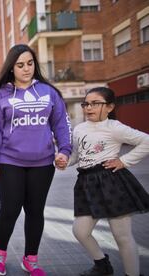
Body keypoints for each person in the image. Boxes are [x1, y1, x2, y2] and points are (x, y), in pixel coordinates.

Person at [0, 44, 72, 276]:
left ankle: (30, 259)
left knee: (35, 212)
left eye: (30, 63)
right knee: (10, 209)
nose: (26, 69)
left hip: (43, 164)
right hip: (9, 161)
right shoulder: (1, 95)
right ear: (12, 68)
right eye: (20, 65)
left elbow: (61, 124)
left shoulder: (49, 92)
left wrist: (64, 151)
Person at [57, 87, 149, 276]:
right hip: (86, 183)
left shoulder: (115, 127)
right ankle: (102, 265)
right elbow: (77, 155)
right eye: (86, 104)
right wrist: (64, 161)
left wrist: (124, 161)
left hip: (111, 182)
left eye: (95, 103)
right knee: (80, 231)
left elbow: (146, 141)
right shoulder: (80, 129)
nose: (89, 107)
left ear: (109, 107)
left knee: (122, 237)